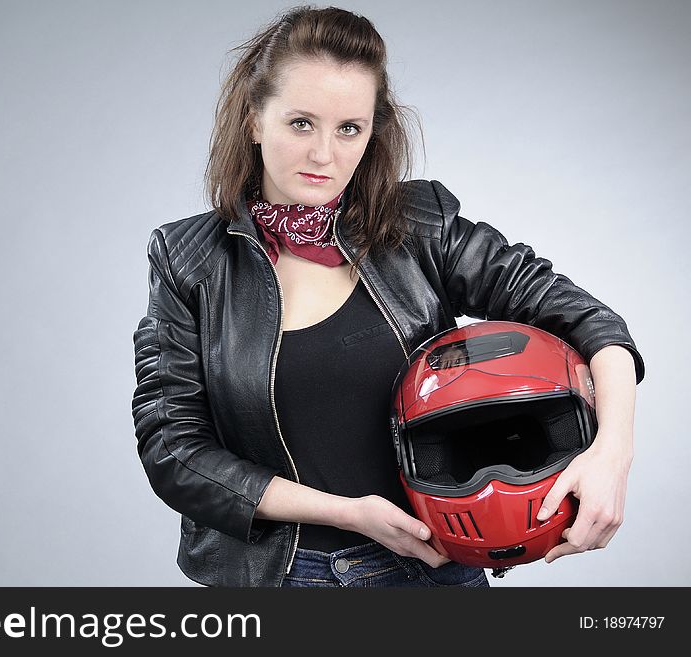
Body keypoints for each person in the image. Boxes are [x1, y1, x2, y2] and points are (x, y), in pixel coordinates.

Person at [130, 5, 644, 588]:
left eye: (349, 127)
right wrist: (346, 514)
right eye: (301, 123)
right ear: (253, 119)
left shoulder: (420, 225)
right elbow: (174, 450)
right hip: (281, 579)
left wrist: (612, 454)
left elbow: (590, 320)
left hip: (431, 575)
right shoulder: (189, 261)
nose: (325, 155)